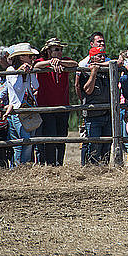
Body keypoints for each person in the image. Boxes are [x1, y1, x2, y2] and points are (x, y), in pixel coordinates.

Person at [34, 38, 77, 166]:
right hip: (46, 106)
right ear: (48, 51)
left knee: (62, 136)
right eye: (56, 49)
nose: (59, 52)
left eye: (61, 49)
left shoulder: (66, 60)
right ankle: (51, 164)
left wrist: (60, 62)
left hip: (63, 105)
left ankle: (60, 164)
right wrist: (50, 62)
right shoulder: (42, 61)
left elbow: (74, 64)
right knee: (50, 136)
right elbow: (36, 65)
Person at [5, 43, 40, 166]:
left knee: (28, 141)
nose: (32, 58)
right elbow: (18, 88)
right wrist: (21, 73)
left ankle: (22, 166)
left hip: (30, 108)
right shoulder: (11, 70)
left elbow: (36, 86)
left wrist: (30, 73)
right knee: (24, 141)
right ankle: (21, 167)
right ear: (21, 57)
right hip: (18, 109)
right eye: (28, 56)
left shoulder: (29, 70)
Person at [79, 47, 112, 164]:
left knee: (107, 145)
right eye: (99, 56)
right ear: (92, 58)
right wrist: (94, 72)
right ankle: (92, 168)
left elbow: (118, 62)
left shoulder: (108, 69)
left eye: (103, 56)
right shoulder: (85, 70)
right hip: (93, 115)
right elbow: (88, 90)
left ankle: (105, 167)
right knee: (94, 145)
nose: (102, 58)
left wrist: (100, 65)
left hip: (108, 113)